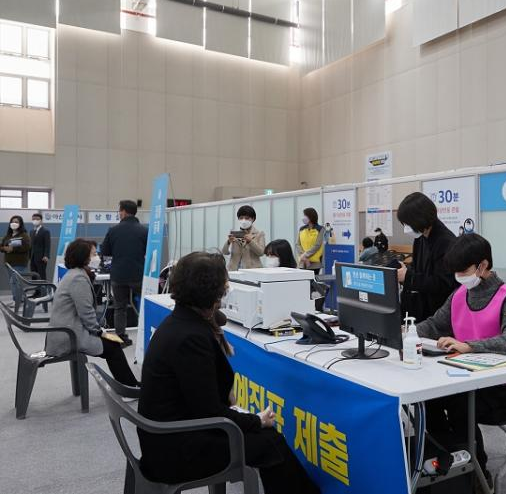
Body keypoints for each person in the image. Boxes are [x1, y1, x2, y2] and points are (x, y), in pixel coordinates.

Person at [137, 252, 319, 494]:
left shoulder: (180, 323)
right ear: (215, 293)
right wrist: (256, 420)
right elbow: (210, 411)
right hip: (177, 448)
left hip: (166, 436)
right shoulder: (191, 338)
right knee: (270, 441)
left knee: (266, 438)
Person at [416, 233, 506, 491]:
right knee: (426, 400)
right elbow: (435, 324)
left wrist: (469, 346)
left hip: (503, 386)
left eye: (463, 271)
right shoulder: (459, 294)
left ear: (483, 265)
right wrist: (408, 332)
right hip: (464, 374)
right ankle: (449, 458)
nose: (458, 276)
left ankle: (477, 470)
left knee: (459, 403)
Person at [45, 239, 138, 386]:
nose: (97, 257)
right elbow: (86, 314)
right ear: (83, 257)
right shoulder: (78, 278)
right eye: (94, 254)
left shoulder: (75, 274)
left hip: (67, 332)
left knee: (113, 343)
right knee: (113, 346)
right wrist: (100, 332)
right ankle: (129, 386)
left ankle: (129, 384)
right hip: (70, 336)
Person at [396, 192, 458, 323]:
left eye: (408, 224)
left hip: (439, 313)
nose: (406, 228)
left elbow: (443, 284)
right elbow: (418, 267)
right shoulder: (421, 236)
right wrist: (405, 270)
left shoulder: (446, 242)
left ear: (420, 219)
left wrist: (408, 277)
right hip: (421, 307)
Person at [100, 200, 148, 347]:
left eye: (119, 211)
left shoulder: (113, 230)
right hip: (138, 274)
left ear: (124, 212)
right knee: (145, 305)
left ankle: (121, 338)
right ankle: (147, 334)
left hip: (118, 275)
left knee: (120, 307)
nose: (119, 214)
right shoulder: (144, 230)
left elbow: (105, 251)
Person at [222, 205, 266, 271]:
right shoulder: (235, 233)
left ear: (253, 219)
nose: (244, 220)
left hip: (252, 270)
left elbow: (261, 252)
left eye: (247, 218)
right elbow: (225, 252)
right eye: (241, 218)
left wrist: (250, 241)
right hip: (234, 269)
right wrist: (228, 242)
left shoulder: (259, 234)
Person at [2, 215, 31, 310]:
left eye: (16, 222)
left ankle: (18, 300)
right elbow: (2, 246)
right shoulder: (8, 236)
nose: (14, 223)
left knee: (15, 282)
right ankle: (17, 299)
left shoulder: (24, 235)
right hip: (9, 263)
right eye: (12, 221)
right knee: (13, 283)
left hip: (19, 263)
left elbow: (26, 247)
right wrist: (5, 248)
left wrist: (13, 249)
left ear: (20, 224)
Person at [295, 208, 324, 274]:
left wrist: (305, 255)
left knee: (313, 279)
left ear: (311, 216)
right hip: (302, 262)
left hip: (314, 263)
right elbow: (297, 244)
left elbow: (317, 245)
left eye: (305, 215)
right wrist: (303, 257)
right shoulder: (302, 229)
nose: (303, 217)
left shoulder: (320, 229)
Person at [29, 213, 51, 281]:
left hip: (41, 258)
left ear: (41, 220)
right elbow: (31, 245)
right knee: (33, 275)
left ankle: (43, 288)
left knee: (41, 275)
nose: (35, 220)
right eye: (33, 219)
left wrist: (46, 255)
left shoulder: (45, 231)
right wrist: (29, 256)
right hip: (32, 257)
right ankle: (35, 288)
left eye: (37, 219)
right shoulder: (31, 231)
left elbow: (47, 244)